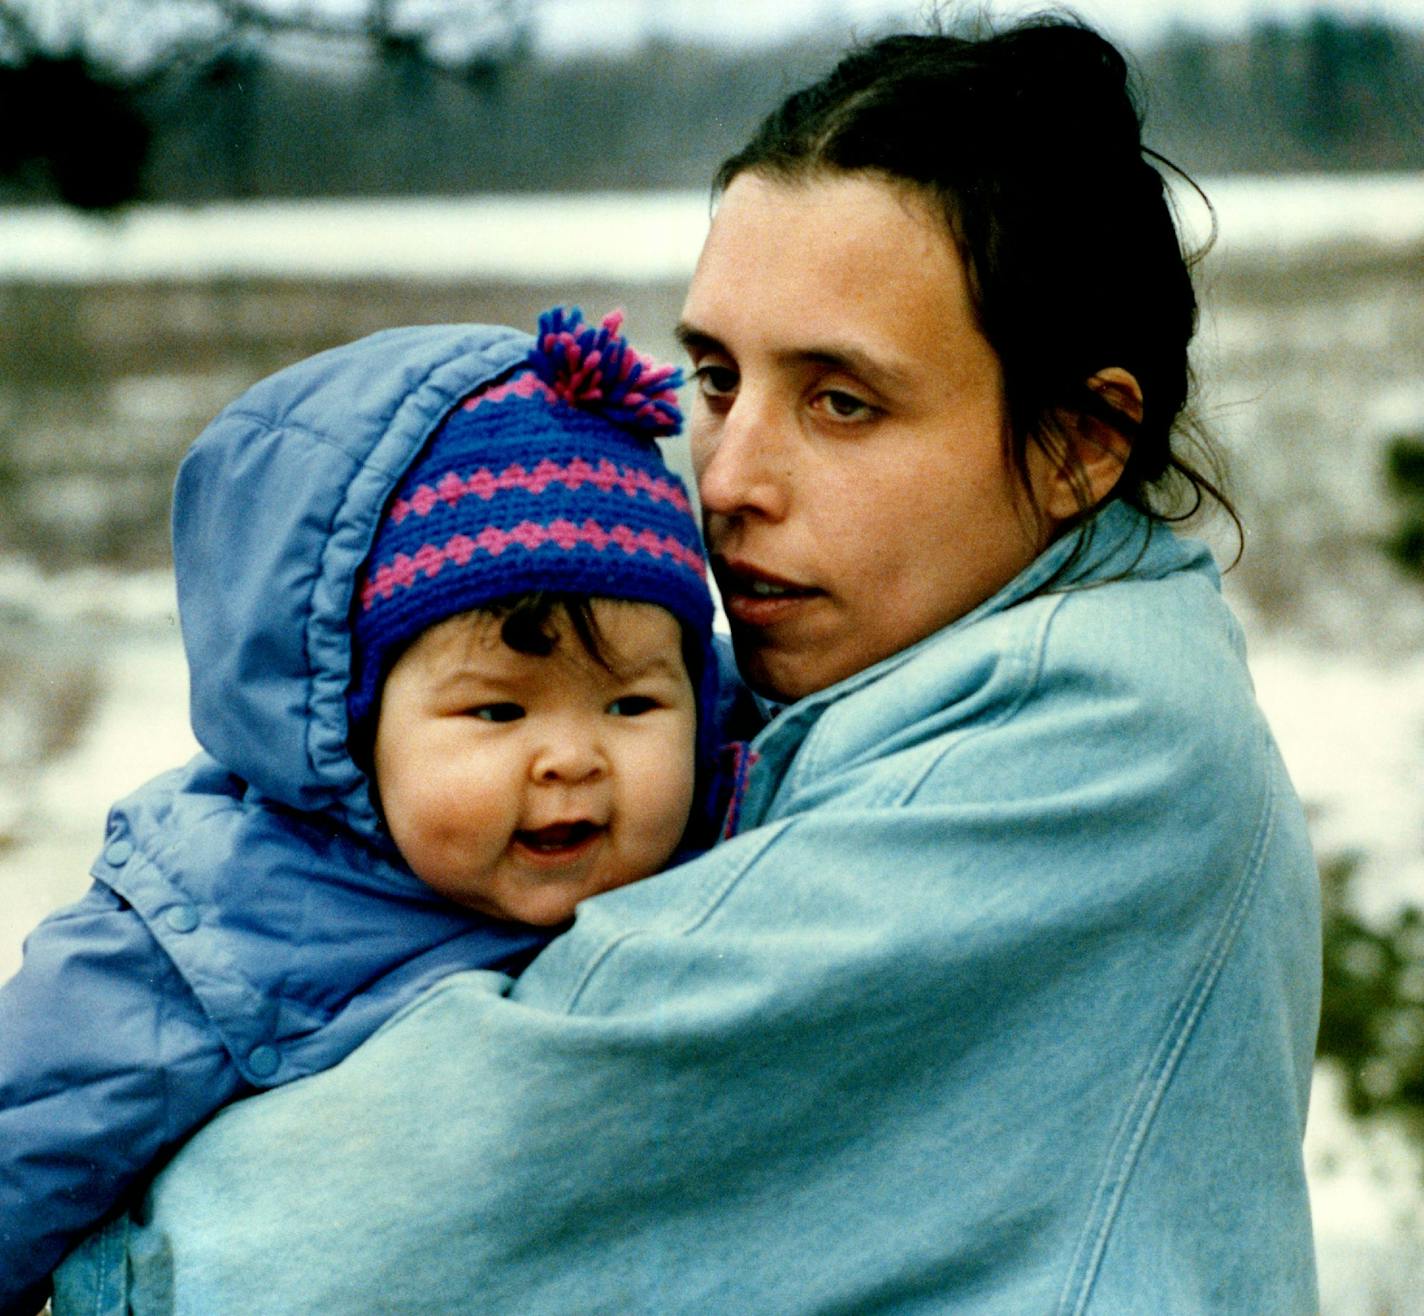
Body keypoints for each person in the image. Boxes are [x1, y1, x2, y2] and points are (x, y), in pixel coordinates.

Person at [53, 17, 1322, 1313]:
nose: (726, 478)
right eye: (716, 377)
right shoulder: (863, 680)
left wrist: (101, 1241)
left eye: (841, 401)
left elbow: (424, 1199)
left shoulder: (1091, 751)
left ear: (1081, 443)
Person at [0, 307, 725, 1315]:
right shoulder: (208, 930)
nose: (571, 755)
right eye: (497, 708)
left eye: (632, 702)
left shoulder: (732, 826)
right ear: (347, 726)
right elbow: (24, 1132)